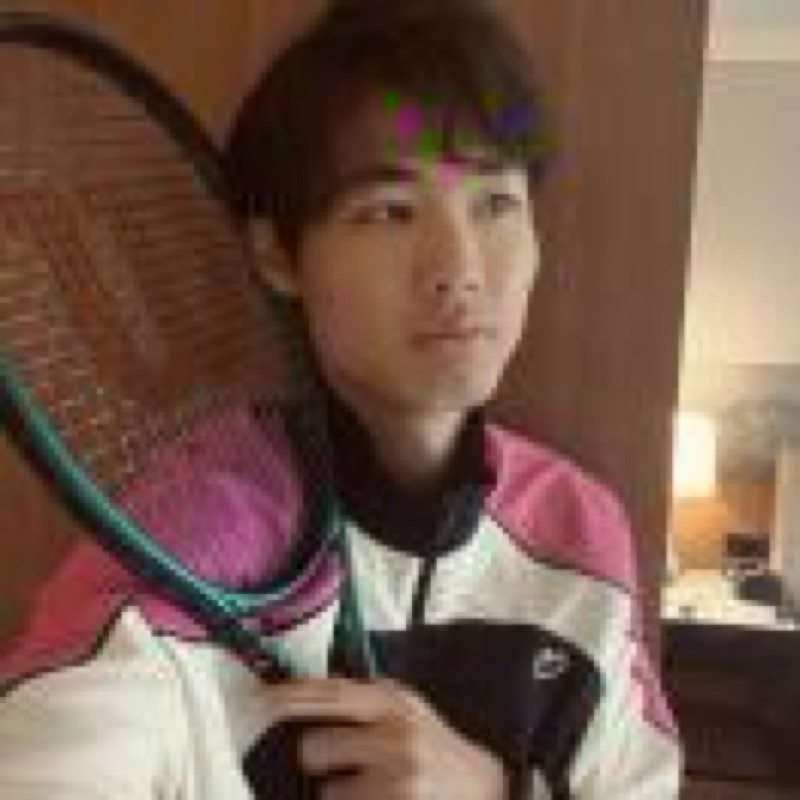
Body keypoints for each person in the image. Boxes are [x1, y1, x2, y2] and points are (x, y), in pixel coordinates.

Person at [0, 0, 682, 797]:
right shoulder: (212, 522)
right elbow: (57, 749)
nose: (459, 268)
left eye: (496, 204)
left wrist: (497, 789)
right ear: (278, 256)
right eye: (390, 212)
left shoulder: (580, 532)